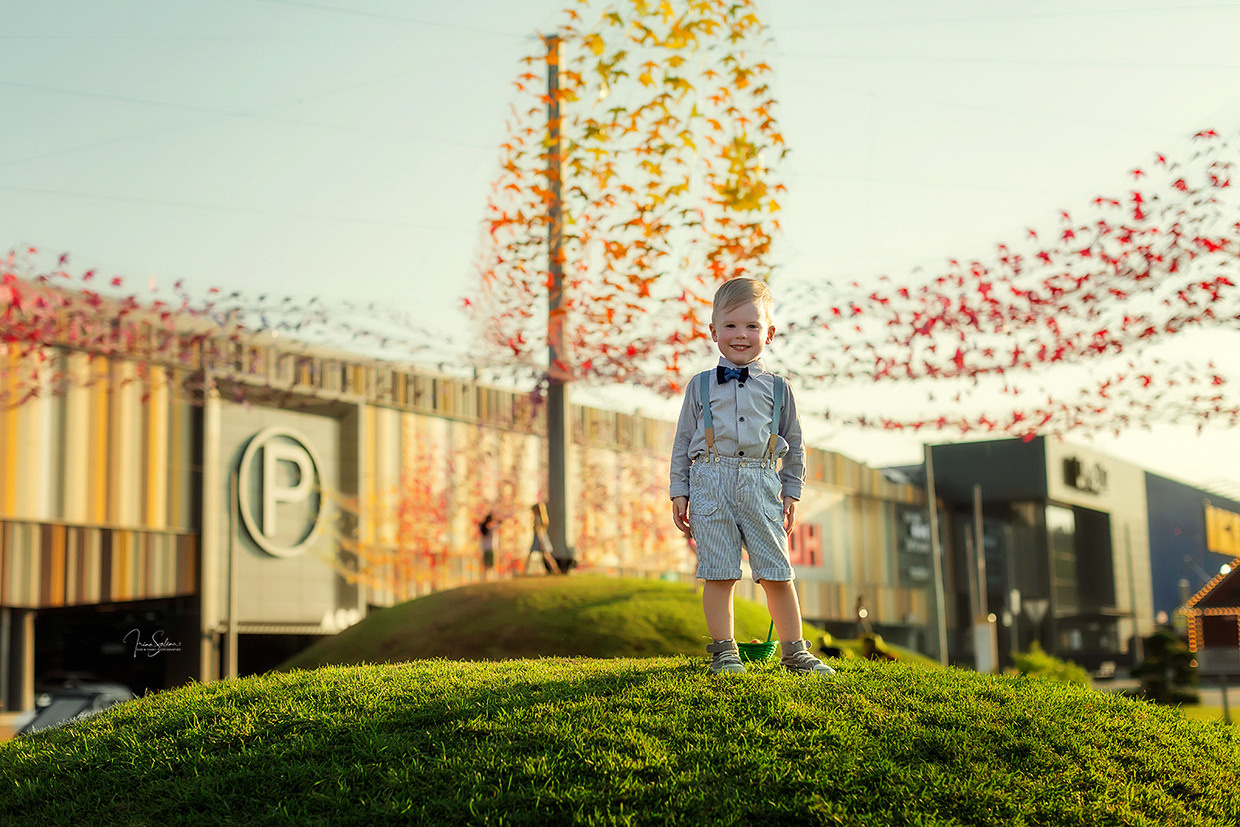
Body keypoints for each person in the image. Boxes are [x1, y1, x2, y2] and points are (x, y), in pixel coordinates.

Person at [670, 277, 834, 676]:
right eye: (730, 326)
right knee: (719, 571)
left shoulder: (780, 388)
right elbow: (681, 442)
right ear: (713, 332)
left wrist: (791, 492)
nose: (740, 335)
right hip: (710, 482)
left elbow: (795, 444)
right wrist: (680, 490)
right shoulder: (700, 385)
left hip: (762, 482)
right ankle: (724, 652)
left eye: (752, 326)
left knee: (776, 571)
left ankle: (795, 652)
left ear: (770, 333)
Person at [479, 513, 499, 581]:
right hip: (491, 549)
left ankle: (485, 577)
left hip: (485, 549)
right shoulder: (491, 528)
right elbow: (499, 523)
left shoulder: (483, 528)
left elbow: (479, 524)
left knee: (486, 564)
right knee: (490, 565)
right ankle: (488, 578)